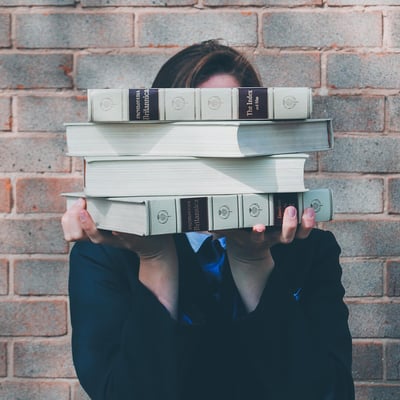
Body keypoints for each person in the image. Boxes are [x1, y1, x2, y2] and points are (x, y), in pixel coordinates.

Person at [62, 40, 355, 400]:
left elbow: (329, 394)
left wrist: (253, 263)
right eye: (192, 132)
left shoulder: (311, 251)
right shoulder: (108, 253)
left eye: (228, 129)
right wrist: (155, 260)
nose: (214, 155)